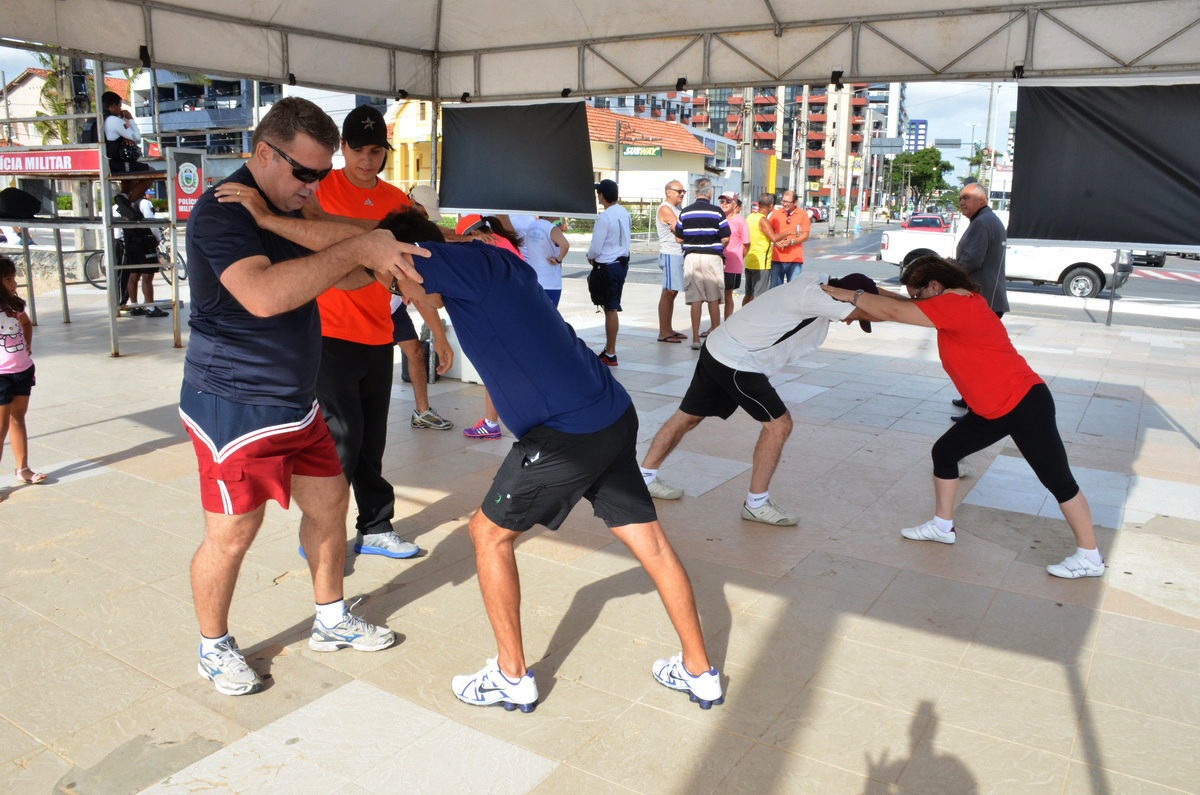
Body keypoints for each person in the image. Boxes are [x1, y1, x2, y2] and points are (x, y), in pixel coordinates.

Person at [375, 212, 724, 713]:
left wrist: (274, 219)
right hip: (609, 411)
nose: (400, 294)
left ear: (412, 259)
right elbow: (427, 271)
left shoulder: (460, 265)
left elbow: (379, 248)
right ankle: (699, 671)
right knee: (651, 543)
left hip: (567, 433)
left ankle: (511, 676)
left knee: (488, 535)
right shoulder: (492, 260)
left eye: (394, 282)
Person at [182, 97, 426, 696]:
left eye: (321, 175)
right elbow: (264, 295)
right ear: (265, 153)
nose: (313, 187)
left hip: (297, 398)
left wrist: (344, 241)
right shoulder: (223, 210)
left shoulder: (284, 206)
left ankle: (330, 617)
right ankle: (213, 647)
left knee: (330, 506)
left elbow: (351, 269)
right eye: (304, 174)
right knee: (233, 534)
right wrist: (355, 249)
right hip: (234, 402)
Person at [821, 256, 1105, 579]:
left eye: (919, 294)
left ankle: (1090, 557)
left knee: (1059, 481)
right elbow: (903, 305)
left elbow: (897, 312)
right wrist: (874, 294)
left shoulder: (956, 306)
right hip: (992, 409)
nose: (917, 301)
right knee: (945, 453)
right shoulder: (955, 300)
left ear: (934, 285)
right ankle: (942, 526)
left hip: (1023, 404)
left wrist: (852, 296)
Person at [305, 104, 453, 561]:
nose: (367, 160)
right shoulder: (318, 193)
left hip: (377, 334)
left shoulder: (395, 202)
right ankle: (320, 533)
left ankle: (374, 527)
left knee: (371, 441)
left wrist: (438, 332)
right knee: (341, 441)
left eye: (376, 151)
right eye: (358, 150)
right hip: (328, 334)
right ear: (342, 148)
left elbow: (413, 273)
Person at [642, 272, 881, 526]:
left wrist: (897, 297)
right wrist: (913, 310)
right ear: (846, 296)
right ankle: (756, 504)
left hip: (719, 346)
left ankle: (644, 478)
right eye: (853, 316)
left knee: (689, 415)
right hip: (737, 361)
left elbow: (865, 303)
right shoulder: (816, 298)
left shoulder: (816, 282)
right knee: (779, 425)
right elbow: (881, 312)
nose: (849, 322)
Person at [458, 214, 527, 441]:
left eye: (464, 239)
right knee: (506, 371)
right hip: (521, 313)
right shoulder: (502, 241)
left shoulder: (488, 247)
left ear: (474, 234)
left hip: (506, 316)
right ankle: (493, 422)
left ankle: (491, 424)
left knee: (494, 371)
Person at [947, 182, 1009, 420]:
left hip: (984, 300)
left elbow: (972, 261)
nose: (961, 202)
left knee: (976, 358)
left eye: (966, 198)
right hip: (987, 298)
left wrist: (948, 270)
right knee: (972, 355)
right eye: (960, 197)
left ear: (981, 200)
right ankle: (970, 398)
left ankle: (977, 408)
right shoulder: (986, 220)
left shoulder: (983, 222)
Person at [0, 256, 45, 494]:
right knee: (0, 428)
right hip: (1, 376)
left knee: (18, 418)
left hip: (23, 370)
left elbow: (26, 324)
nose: (14, 283)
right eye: (8, 279)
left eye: (14, 278)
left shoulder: (15, 306)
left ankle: (23, 469)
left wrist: (27, 345)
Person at [676, 178, 729, 350]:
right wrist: (719, 246)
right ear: (710, 193)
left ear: (694, 193)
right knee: (713, 298)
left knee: (696, 299)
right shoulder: (717, 212)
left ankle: (695, 339)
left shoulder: (685, 212)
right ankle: (715, 339)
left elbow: (679, 238)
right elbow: (726, 237)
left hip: (691, 258)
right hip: (712, 257)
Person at [587, 179, 631, 366]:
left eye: (599, 193)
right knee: (611, 306)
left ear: (602, 195)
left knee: (610, 308)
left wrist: (590, 256)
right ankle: (609, 349)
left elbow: (596, 246)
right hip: (622, 263)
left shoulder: (604, 217)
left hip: (608, 266)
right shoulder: (624, 213)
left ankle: (611, 353)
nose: (598, 196)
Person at [100, 91, 155, 220]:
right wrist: (129, 119)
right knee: (150, 172)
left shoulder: (98, 119)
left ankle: (123, 196)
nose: (121, 109)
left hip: (100, 162)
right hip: (112, 164)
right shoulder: (114, 120)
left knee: (132, 174)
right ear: (113, 106)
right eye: (120, 106)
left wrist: (122, 137)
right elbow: (137, 138)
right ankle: (128, 204)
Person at [117, 195, 169, 317]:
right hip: (144, 244)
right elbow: (151, 224)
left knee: (133, 275)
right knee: (147, 277)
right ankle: (151, 308)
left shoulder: (122, 204)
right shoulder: (144, 203)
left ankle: (134, 306)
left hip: (130, 244)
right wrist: (158, 238)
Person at [510, 214, 570, 307]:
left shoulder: (531, 225)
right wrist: (558, 260)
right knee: (550, 312)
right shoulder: (552, 228)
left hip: (534, 277)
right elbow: (565, 245)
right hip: (550, 280)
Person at [655, 180, 687, 342]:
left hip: (678, 254)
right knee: (668, 292)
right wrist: (681, 230)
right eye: (678, 191)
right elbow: (682, 233)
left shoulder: (678, 209)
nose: (681, 194)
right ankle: (663, 332)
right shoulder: (666, 208)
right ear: (668, 192)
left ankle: (668, 328)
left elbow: (682, 230)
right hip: (670, 254)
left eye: (683, 192)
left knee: (673, 292)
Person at [768, 190, 810, 287]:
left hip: (795, 260)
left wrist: (792, 241)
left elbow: (805, 235)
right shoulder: (776, 214)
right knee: (775, 289)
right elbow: (768, 232)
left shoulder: (802, 214)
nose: (785, 204)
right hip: (777, 259)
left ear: (795, 202)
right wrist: (775, 241)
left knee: (794, 289)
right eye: (783, 201)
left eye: (788, 202)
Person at [718, 192, 749, 320]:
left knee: (728, 294)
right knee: (714, 295)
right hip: (716, 262)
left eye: (728, 201)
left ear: (735, 204)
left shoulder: (740, 220)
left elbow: (746, 244)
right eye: (722, 201)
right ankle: (714, 325)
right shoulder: (717, 218)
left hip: (732, 264)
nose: (724, 203)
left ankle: (727, 322)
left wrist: (738, 258)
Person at [742, 193, 777, 306]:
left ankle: (742, 315)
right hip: (761, 264)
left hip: (750, 260)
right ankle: (756, 316)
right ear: (771, 206)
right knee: (759, 296)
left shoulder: (750, 217)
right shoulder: (763, 220)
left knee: (748, 294)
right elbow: (774, 238)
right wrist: (790, 232)